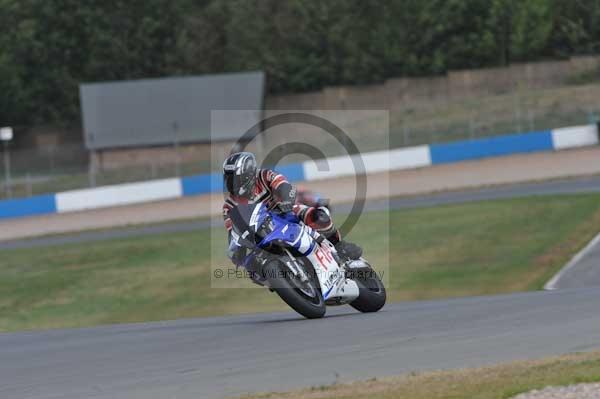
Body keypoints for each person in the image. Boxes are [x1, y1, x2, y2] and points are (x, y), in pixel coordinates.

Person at [222, 152, 362, 267]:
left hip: (284, 214)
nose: (231, 183)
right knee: (250, 264)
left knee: (318, 216)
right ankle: (280, 279)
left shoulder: (265, 176)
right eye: (228, 178)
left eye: (235, 178)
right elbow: (233, 232)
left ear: (248, 174)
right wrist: (236, 250)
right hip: (260, 236)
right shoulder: (229, 206)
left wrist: (286, 202)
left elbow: (284, 186)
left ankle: (340, 246)